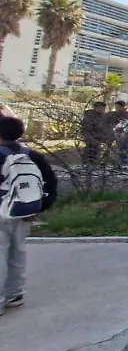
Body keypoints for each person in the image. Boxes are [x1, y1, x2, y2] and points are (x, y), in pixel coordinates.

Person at [0, 116, 58, 317]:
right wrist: (39, 207)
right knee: (18, 251)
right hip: (25, 211)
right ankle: (15, 294)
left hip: (2, 211)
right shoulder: (32, 155)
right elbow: (51, 182)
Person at [81, 101, 107, 165]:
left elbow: (104, 126)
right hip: (89, 135)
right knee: (91, 148)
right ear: (96, 107)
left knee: (97, 149)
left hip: (98, 135)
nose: (103, 110)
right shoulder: (89, 115)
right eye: (102, 108)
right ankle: (86, 162)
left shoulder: (103, 116)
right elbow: (86, 126)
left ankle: (93, 162)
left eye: (104, 108)